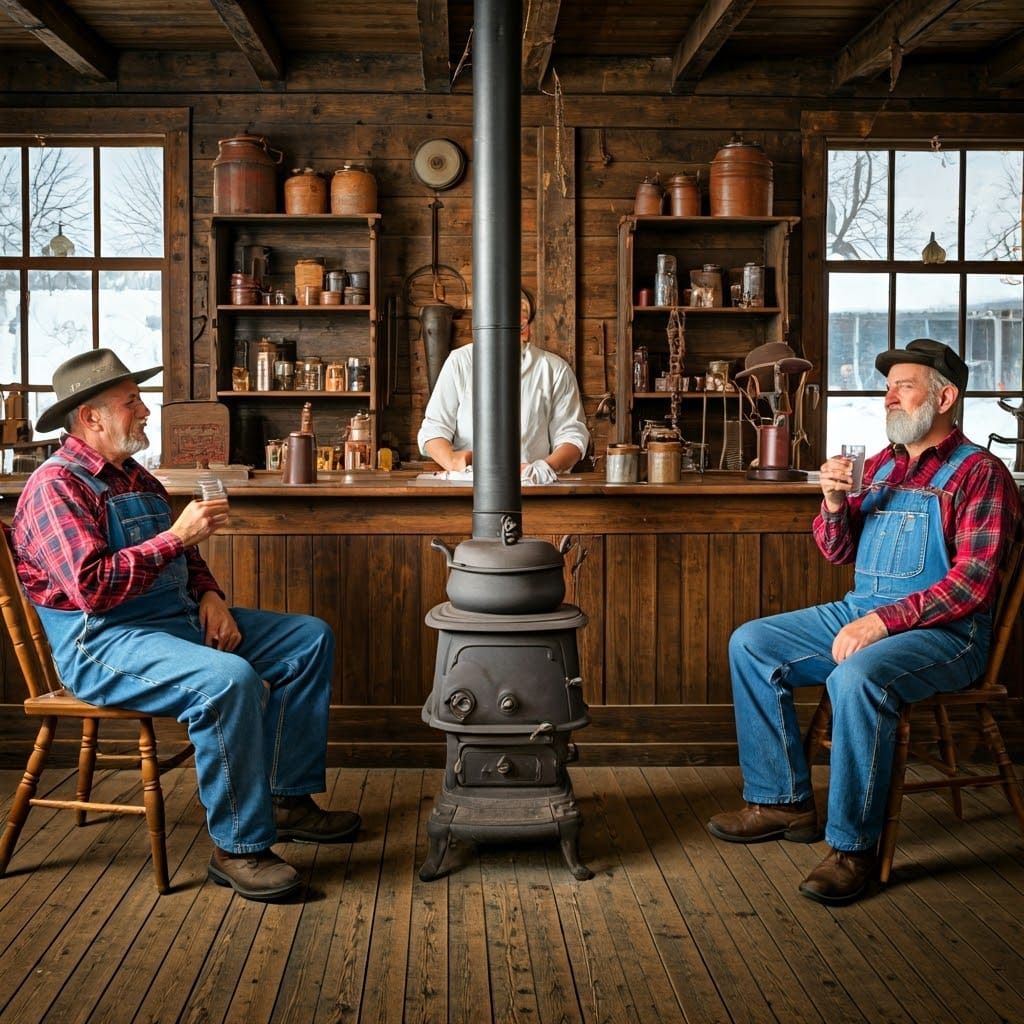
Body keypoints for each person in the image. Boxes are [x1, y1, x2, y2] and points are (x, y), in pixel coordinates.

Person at [12, 348, 361, 903]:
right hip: (102, 642)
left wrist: (210, 594)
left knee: (307, 639)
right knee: (227, 681)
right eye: (132, 404)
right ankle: (237, 847)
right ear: (91, 417)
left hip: (173, 622)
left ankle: (286, 798)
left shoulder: (134, 476)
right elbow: (95, 588)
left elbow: (184, 556)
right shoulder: (58, 487)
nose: (146, 413)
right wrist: (177, 537)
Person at [707, 338, 1021, 906]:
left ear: (945, 396)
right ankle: (782, 802)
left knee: (856, 677)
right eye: (888, 387)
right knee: (752, 644)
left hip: (947, 634)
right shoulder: (877, 467)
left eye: (904, 385)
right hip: (863, 609)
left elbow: (973, 585)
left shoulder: (981, 474)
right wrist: (830, 505)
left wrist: (883, 624)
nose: (888, 397)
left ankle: (853, 847)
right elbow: (838, 552)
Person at [417, 293, 590, 483]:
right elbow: (434, 430)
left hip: (533, 488)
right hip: (467, 487)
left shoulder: (555, 369)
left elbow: (572, 436)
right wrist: (453, 461)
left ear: (526, 328)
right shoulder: (460, 362)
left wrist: (544, 468)